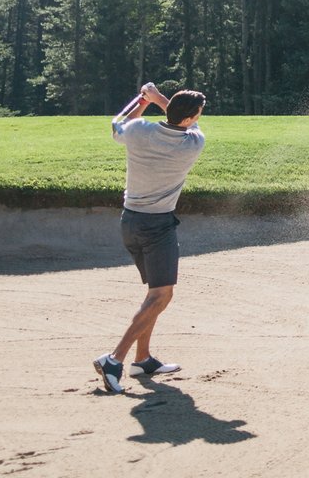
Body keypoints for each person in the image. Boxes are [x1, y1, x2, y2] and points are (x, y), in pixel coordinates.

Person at [93, 81, 207, 393]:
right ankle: (114, 359)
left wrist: (144, 101)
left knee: (155, 293)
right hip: (157, 228)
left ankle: (143, 359)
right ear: (188, 119)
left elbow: (118, 125)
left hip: (130, 222)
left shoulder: (138, 132)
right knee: (162, 295)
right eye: (198, 114)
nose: (199, 119)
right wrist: (160, 99)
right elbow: (186, 123)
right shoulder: (192, 144)